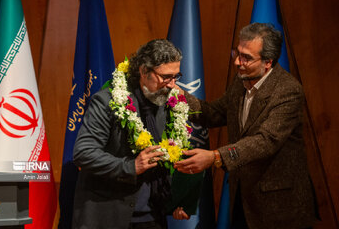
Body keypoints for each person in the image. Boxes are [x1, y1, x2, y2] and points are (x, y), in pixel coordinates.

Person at [173, 23, 317, 228]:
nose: (237, 62)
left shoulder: (288, 91)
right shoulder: (241, 81)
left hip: (280, 206)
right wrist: (178, 96)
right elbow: (212, 114)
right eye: (237, 53)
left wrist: (215, 157)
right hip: (244, 198)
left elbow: (265, 141)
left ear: (268, 62)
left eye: (247, 57)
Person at [72, 39, 186, 229]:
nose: (172, 85)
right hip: (109, 216)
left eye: (176, 76)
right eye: (166, 77)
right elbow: (83, 153)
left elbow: (170, 154)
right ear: (143, 71)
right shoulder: (108, 101)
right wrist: (130, 166)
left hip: (153, 217)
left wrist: (179, 197)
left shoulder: (171, 103)